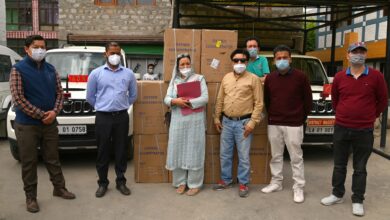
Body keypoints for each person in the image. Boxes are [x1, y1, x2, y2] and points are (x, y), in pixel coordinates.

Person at [10, 35, 76, 213]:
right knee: (29, 161)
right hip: (27, 125)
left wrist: (54, 112)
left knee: (53, 158)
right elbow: (18, 98)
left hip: (50, 123)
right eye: (36, 46)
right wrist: (41, 115)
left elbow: (60, 94)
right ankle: (31, 197)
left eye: (42, 47)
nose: (40, 50)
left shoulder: (50, 69)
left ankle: (59, 188)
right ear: (26, 49)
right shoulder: (18, 69)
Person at [320, 42, 388, 216]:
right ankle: (337, 194)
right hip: (342, 127)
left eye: (361, 52)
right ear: (348, 55)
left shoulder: (376, 76)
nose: (358, 54)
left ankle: (357, 199)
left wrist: (371, 115)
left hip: (364, 130)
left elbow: (383, 100)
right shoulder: (340, 77)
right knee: (339, 164)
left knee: (360, 167)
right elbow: (335, 100)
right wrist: (344, 114)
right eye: (354, 52)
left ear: (366, 55)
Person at [261, 45, 312, 203]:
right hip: (274, 122)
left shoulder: (301, 77)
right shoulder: (270, 78)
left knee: (296, 157)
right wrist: (273, 116)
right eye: (278, 58)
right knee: (276, 156)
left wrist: (299, 117)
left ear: (290, 59)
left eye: (285, 57)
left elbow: (308, 101)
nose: (282, 60)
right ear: (274, 61)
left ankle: (298, 187)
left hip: (294, 123)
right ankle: (276, 182)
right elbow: (267, 100)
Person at [86, 42, 137, 198]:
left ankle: (121, 181)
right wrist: (103, 107)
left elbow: (133, 96)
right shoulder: (96, 74)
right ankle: (102, 183)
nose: (115, 56)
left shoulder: (128, 74)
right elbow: (90, 97)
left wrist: (121, 106)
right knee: (103, 151)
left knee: (121, 150)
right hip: (103, 117)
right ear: (105, 54)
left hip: (121, 116)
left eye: (117, 53)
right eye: (112, 53)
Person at [213, 49, 263, 198]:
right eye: (236, 60)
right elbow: (220, 99)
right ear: (232, 62)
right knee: (225, 154)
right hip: (227, 122)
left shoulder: (254, 79)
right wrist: (217, 117)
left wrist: (252, 123)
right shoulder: (226, 78)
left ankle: (243, 183)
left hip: (244, 123)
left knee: (243, 156)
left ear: (247, 62)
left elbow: (259, 103)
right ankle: (226, 180)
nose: (239, 63)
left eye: (242, 61)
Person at [164, 53, 208, 196]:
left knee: (195, 150)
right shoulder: (174, 81)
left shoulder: (199, 78)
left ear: (191, 64)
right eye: (182, 64)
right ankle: (180, 182)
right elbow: (166, 99)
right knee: (178, 149)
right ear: (177, 66)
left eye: (187, 64)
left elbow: (205, 98)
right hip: (178, 121)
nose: (185, 67)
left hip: (195, 122)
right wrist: (175, 101)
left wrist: (188, 102)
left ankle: (195, 184)